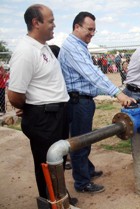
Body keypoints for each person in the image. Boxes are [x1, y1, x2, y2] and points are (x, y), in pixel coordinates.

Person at [7, 4, 77, 206]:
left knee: (58, 161)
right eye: (51, 21)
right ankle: (52, 202)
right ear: (36, 23)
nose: (54, 25)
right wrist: (31, 108)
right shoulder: (25, 51)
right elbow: (14, 94)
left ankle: (59, 197)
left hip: (55, 115)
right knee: (48, 165)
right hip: (44, 118)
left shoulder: (43, 48)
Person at [59, 11, 136, 194]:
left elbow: (94, 72)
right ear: (77, 27)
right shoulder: (72, 47)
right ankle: (82, 183)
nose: (92, 33)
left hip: (82, 101)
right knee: (79, 142)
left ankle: (88, 170)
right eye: (89, 29)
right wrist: (117, 94)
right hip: (77, 102)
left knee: (85, 139)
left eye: (95, 30)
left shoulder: (79, 45)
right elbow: (92, 74)